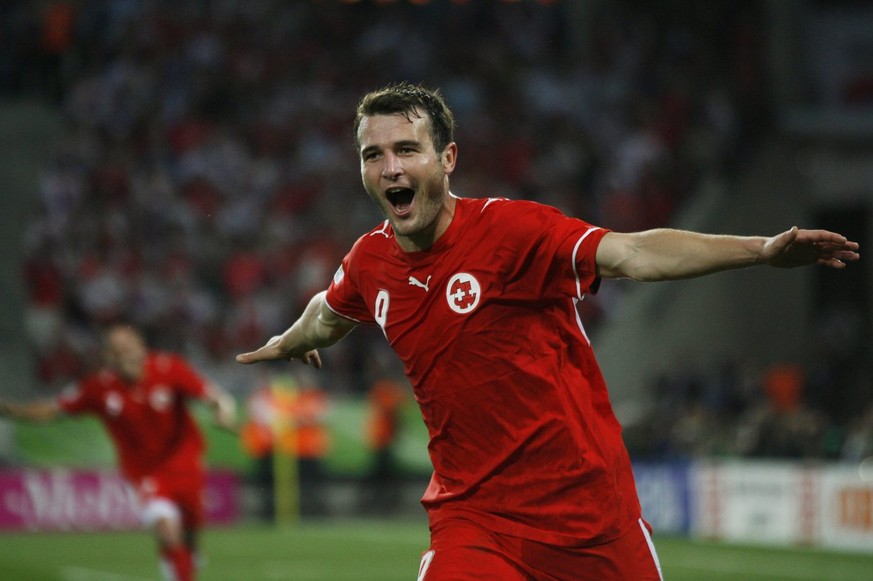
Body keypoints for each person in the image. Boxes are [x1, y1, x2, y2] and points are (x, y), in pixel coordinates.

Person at [236, 82, 860, 581]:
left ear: (447, 159)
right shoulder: (369, 261)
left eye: (407, 150)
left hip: (590, 515)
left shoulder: (512, 232)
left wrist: (759, 249)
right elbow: (328, 310)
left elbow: (633, 254)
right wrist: (293, 341)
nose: (391, 167)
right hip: (473, 518)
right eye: (374, 155)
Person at [0, 323, 237, 581]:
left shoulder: (169, 368)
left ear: (141, 347)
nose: (125, 353)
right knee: (167, 530)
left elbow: (213, 395)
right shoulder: (99, 388)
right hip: (145, 473)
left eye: (128, 346)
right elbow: (54, 408)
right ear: (108, 357)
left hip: (185, 462)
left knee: (189, 536)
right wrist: (14, 411)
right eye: (117, 349)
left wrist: (222, 412)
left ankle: (186, 556)